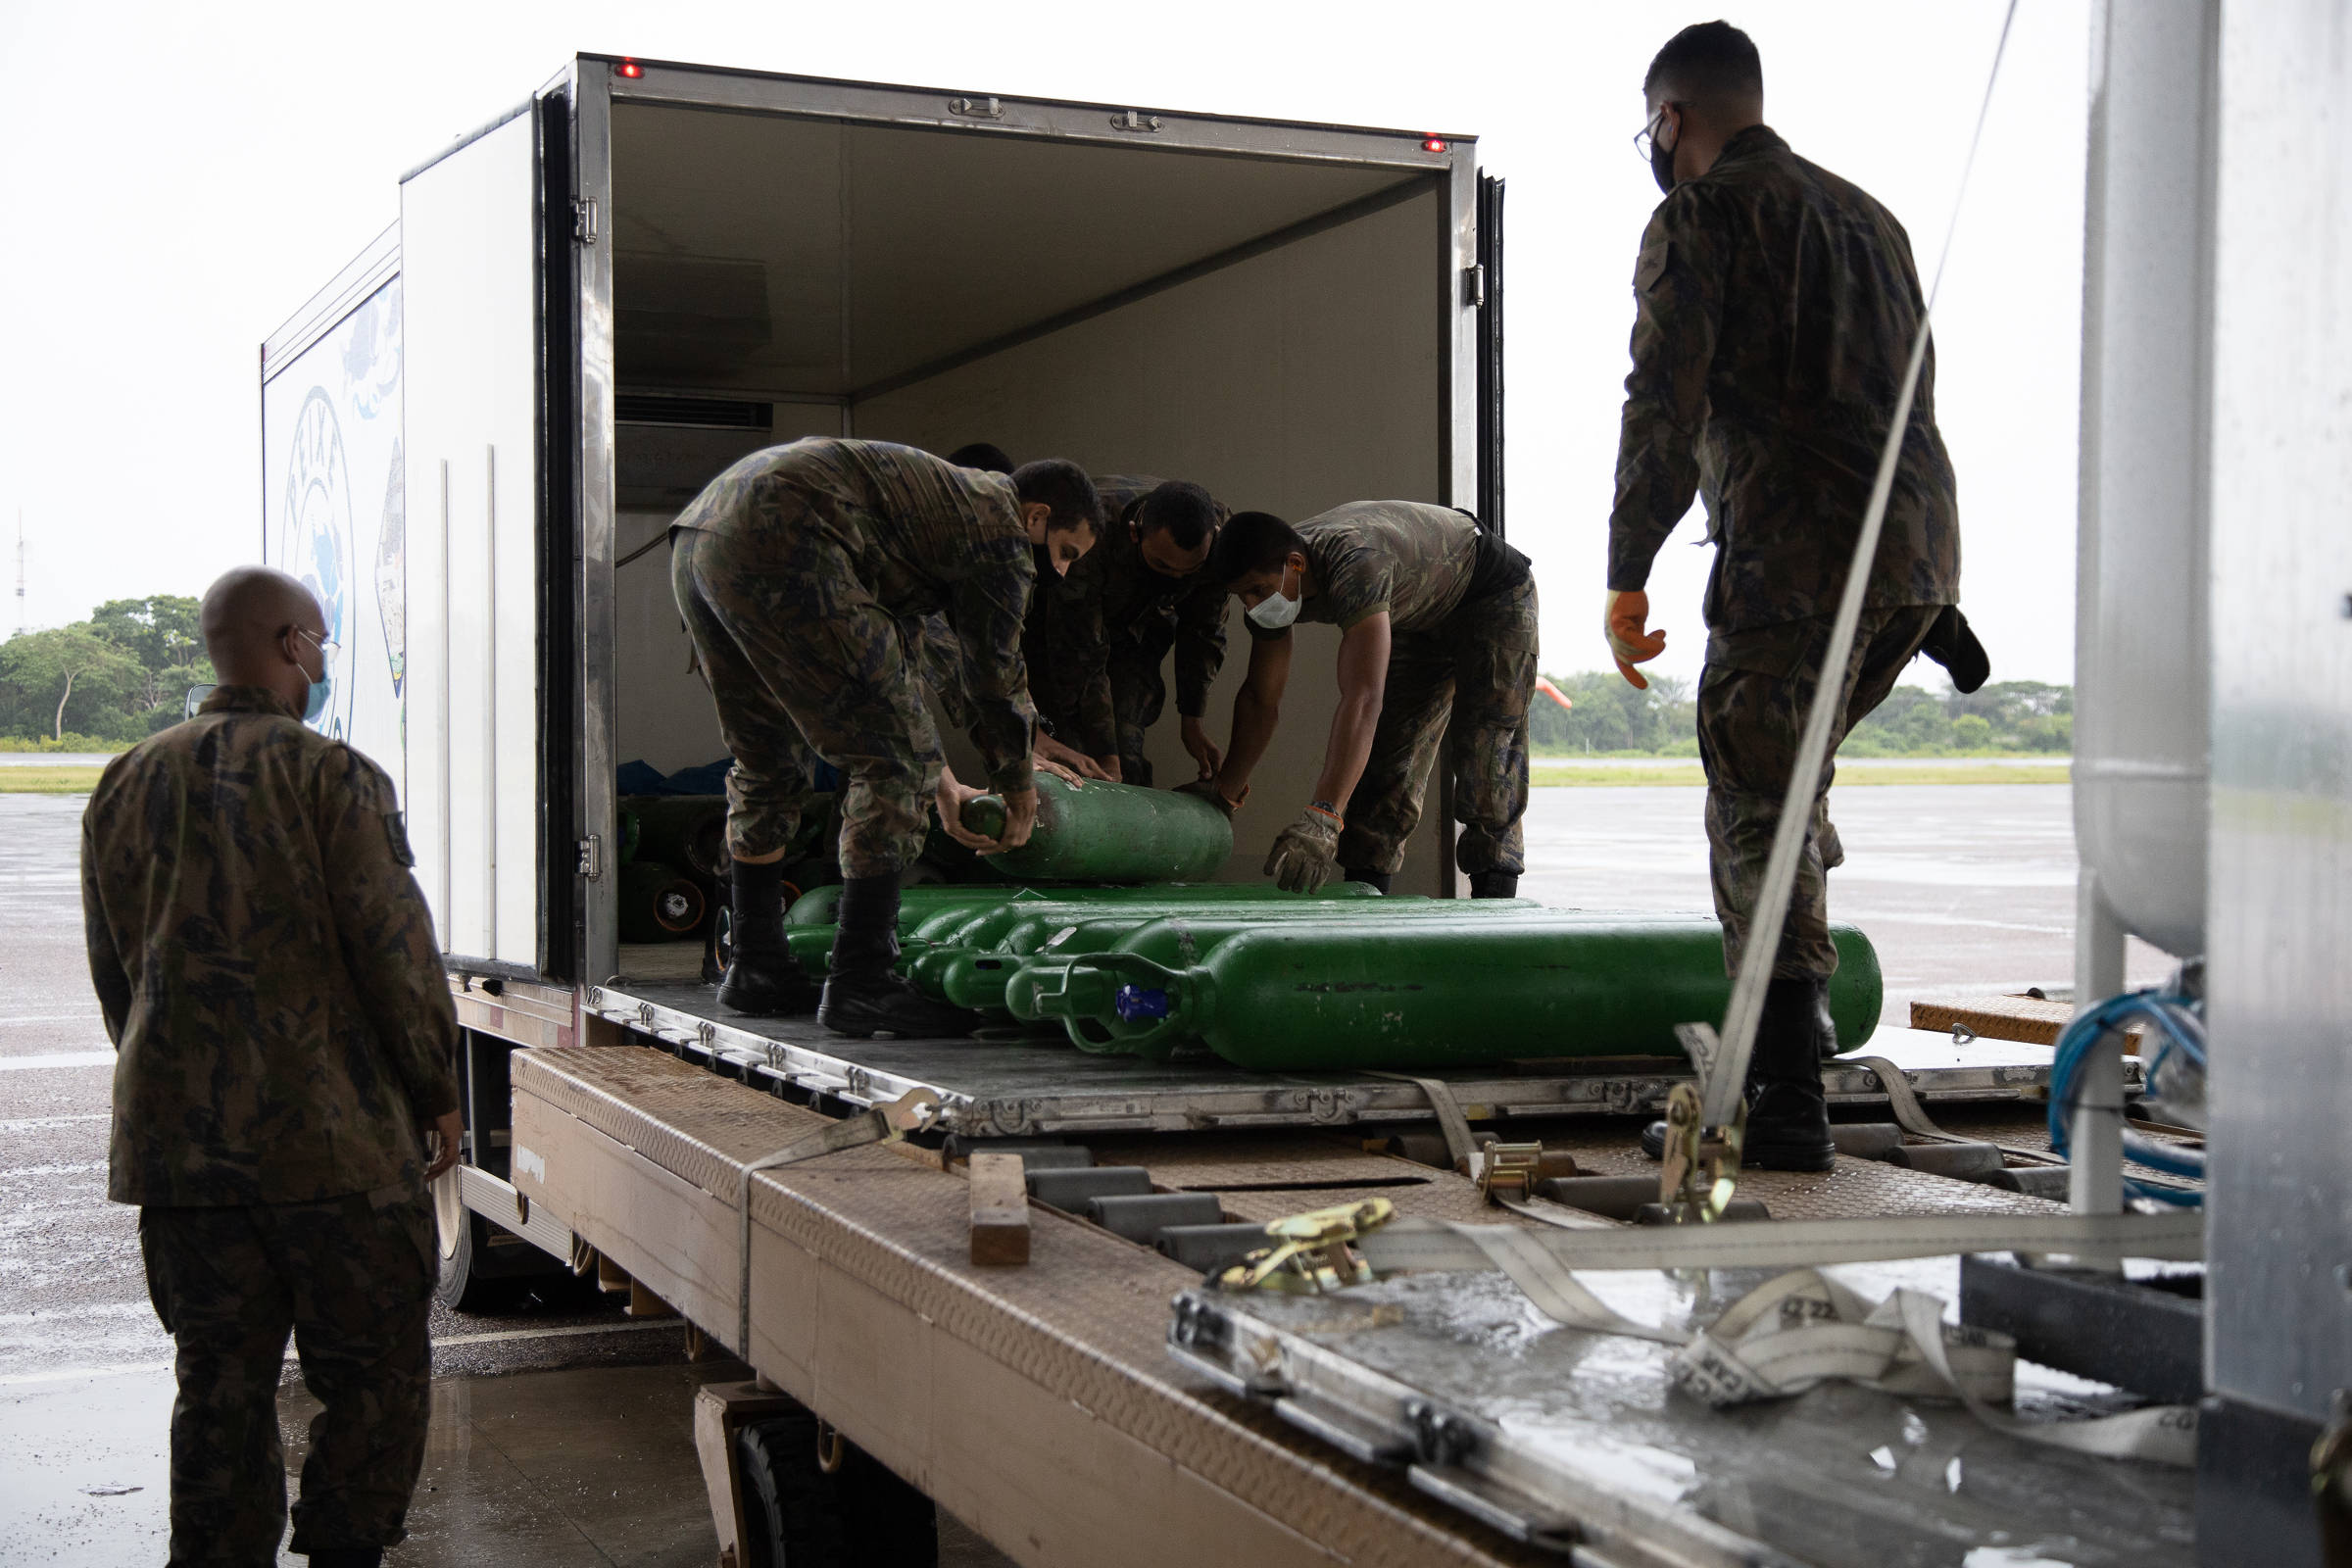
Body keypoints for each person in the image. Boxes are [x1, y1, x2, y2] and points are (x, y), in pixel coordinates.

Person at [1607, 22, 1968, 1169]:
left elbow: (1661, 397)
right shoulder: (1873, 219)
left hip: (1795, 554)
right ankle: (1800, 1015)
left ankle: (1782, 1094)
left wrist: (1628, 563)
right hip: (1916, 557)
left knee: (1754, 793)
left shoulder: (1703, 216)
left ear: (1674, 118)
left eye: (1652, 126)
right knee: (1795, 770)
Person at [80, 565, 463, 1568]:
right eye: (323, 643)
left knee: (218, 1385)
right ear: (291, 642)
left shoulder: (125, 782)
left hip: (183, 1160)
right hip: (333, 1156)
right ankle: (343, 1553)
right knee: (374, 1380)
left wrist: (171, 1083)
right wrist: (437, 1091)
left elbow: (118, 975)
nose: (323, 661)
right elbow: (396, 957)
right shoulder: (332, 777)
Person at [670, 437, 1100, 1036]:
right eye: (1065, 552)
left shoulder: (935, 517)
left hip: (704, 538)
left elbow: (917, 665)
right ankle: (863, 981)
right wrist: (1017, 782)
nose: (1061, 570)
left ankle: (756, 965)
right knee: (889, 765)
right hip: (790, 536)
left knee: (768, 763)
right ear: (1037, 518)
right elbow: (992, 675)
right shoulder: (1000, 533)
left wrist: (941, 783)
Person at [1194, 503, 1536, 898]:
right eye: (1241, 597)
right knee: (1388, 765)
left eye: (1257, 591)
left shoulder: (1356, 566)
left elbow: (1362, 696)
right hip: (1418, 610)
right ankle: (1363, 904)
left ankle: (1491, 920)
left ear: (1295, 564)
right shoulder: (1273, 571)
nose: (1252, 606)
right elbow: (1260, 699)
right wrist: (1225, 793)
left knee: (1486, 761)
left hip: (1493, 594)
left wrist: (1323, 815)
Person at [1038, 478, 1229, 785]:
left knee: (1127, 753)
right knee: (1073, 752)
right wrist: (1105, 756)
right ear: (1134, 533)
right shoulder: (1090, 529)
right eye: (1163, 565)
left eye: (1189, 570)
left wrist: (1192, 722)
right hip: (1059, 632)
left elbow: (1204, 632)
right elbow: (1081, 651)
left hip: (1137, 635)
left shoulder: (1222, 543)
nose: (1177, 577)